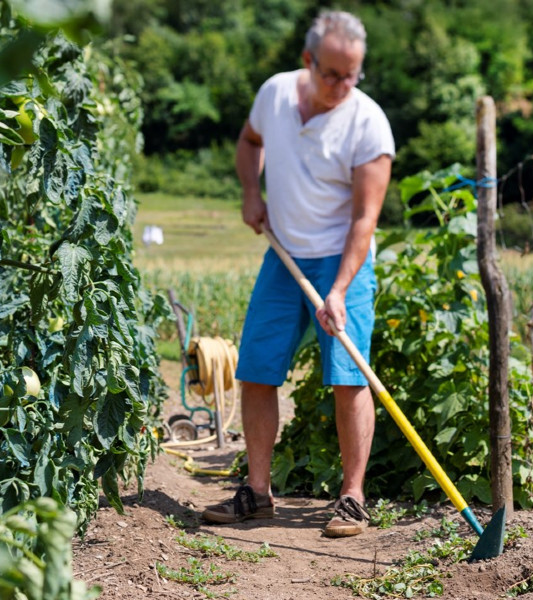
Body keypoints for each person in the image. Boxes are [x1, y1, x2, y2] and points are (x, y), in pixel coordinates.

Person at [202, 9, 394, 538]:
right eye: (332, 73)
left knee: (348, 376)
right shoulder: (275, 95)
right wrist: (249, 193)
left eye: (352, 74)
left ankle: (352, 498)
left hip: (343, 261)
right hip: (283, 255)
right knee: (257, 368)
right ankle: (258, 495)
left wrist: (337, 290)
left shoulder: (368, 123)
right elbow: (249, 142)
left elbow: (365, 218)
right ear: (308, 61)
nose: (342, 85)